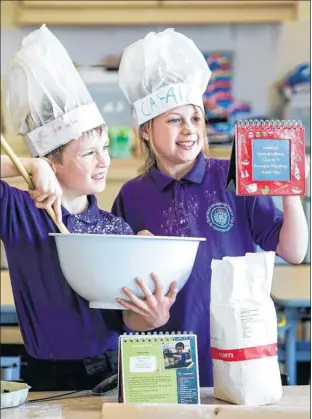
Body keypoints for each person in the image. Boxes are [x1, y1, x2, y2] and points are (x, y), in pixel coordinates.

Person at [112, 29, 309, 387]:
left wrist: (291, 189)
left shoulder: (233, 178)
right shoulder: (131, 196)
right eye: (174, 120)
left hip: (235, 354)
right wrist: (146, 317)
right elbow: (124, 308)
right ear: (144, 130)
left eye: (196, 119)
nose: (188, 130)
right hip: (162, 355)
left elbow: (293, 251)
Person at [0, 25, 177, 391]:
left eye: (106, 148)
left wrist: (153, 318)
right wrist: (30, 168)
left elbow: (126, 318)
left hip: (113, 374)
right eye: (89, 153)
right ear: (53, 162)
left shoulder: (114, 228)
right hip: (46, 375)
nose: (104, 161)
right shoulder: (18, 211)